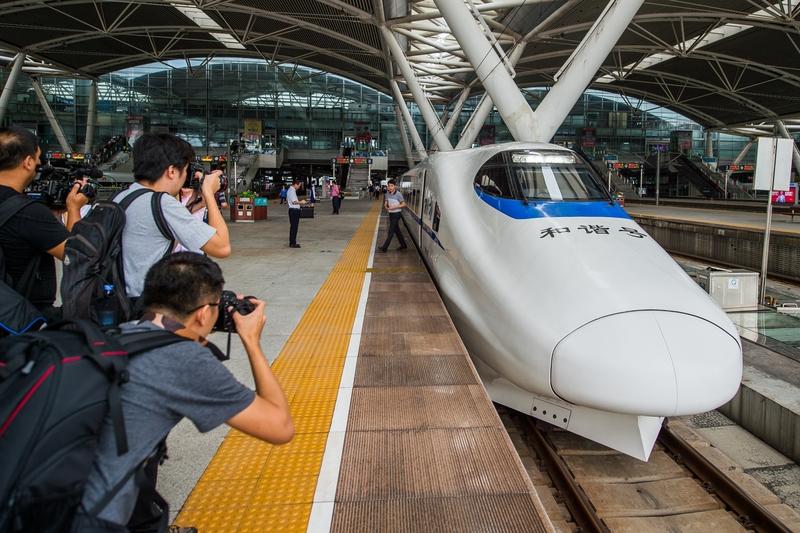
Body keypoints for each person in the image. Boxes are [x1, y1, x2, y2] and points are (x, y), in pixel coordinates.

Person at [72, 252, 294, 532]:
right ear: (203, 313)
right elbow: (280, 427)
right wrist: (251, 340)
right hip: (91, 521)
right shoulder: (183, 360)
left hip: (48, 499)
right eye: (215, 306)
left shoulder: (122, 333)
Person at [113, 133, 231, 300]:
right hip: (149, 307)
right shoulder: (162, 203)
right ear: (171, 171)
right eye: (185, 170)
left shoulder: (123, 196)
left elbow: (156, 232)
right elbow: (222, 247)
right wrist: (209, 193)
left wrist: (195, 205)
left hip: (121, 300)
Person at [0, 126, 89, 321]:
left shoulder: (28, 212)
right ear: (29, 162)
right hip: (20, 319)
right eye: (39, 158)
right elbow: (76, 255)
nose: (40, 163)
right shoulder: (29, 213)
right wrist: (74, 209)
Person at [378, 179, 407, 253]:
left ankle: (384, 248)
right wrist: (385, 205)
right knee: (397, 230)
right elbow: (386, 200)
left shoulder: (398, 194)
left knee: (391, 231)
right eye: (389, 186)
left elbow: (403, 204)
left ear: (395, 186)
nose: (390, 187)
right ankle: (403, 245)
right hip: (391, 213)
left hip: (397, 214)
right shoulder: (387, 193)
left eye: (392, 186)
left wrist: (394, 207)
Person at [286, 178, 306, 248]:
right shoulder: (292, 191)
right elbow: (294, 202)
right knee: (294, 227)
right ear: (295, 184)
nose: (299, 187)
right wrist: (301, 202)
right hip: (294, 211)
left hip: (293, 210)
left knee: (293, 227)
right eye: (299, 185)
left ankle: (292, 242)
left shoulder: (291, 190)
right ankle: (292, 243)